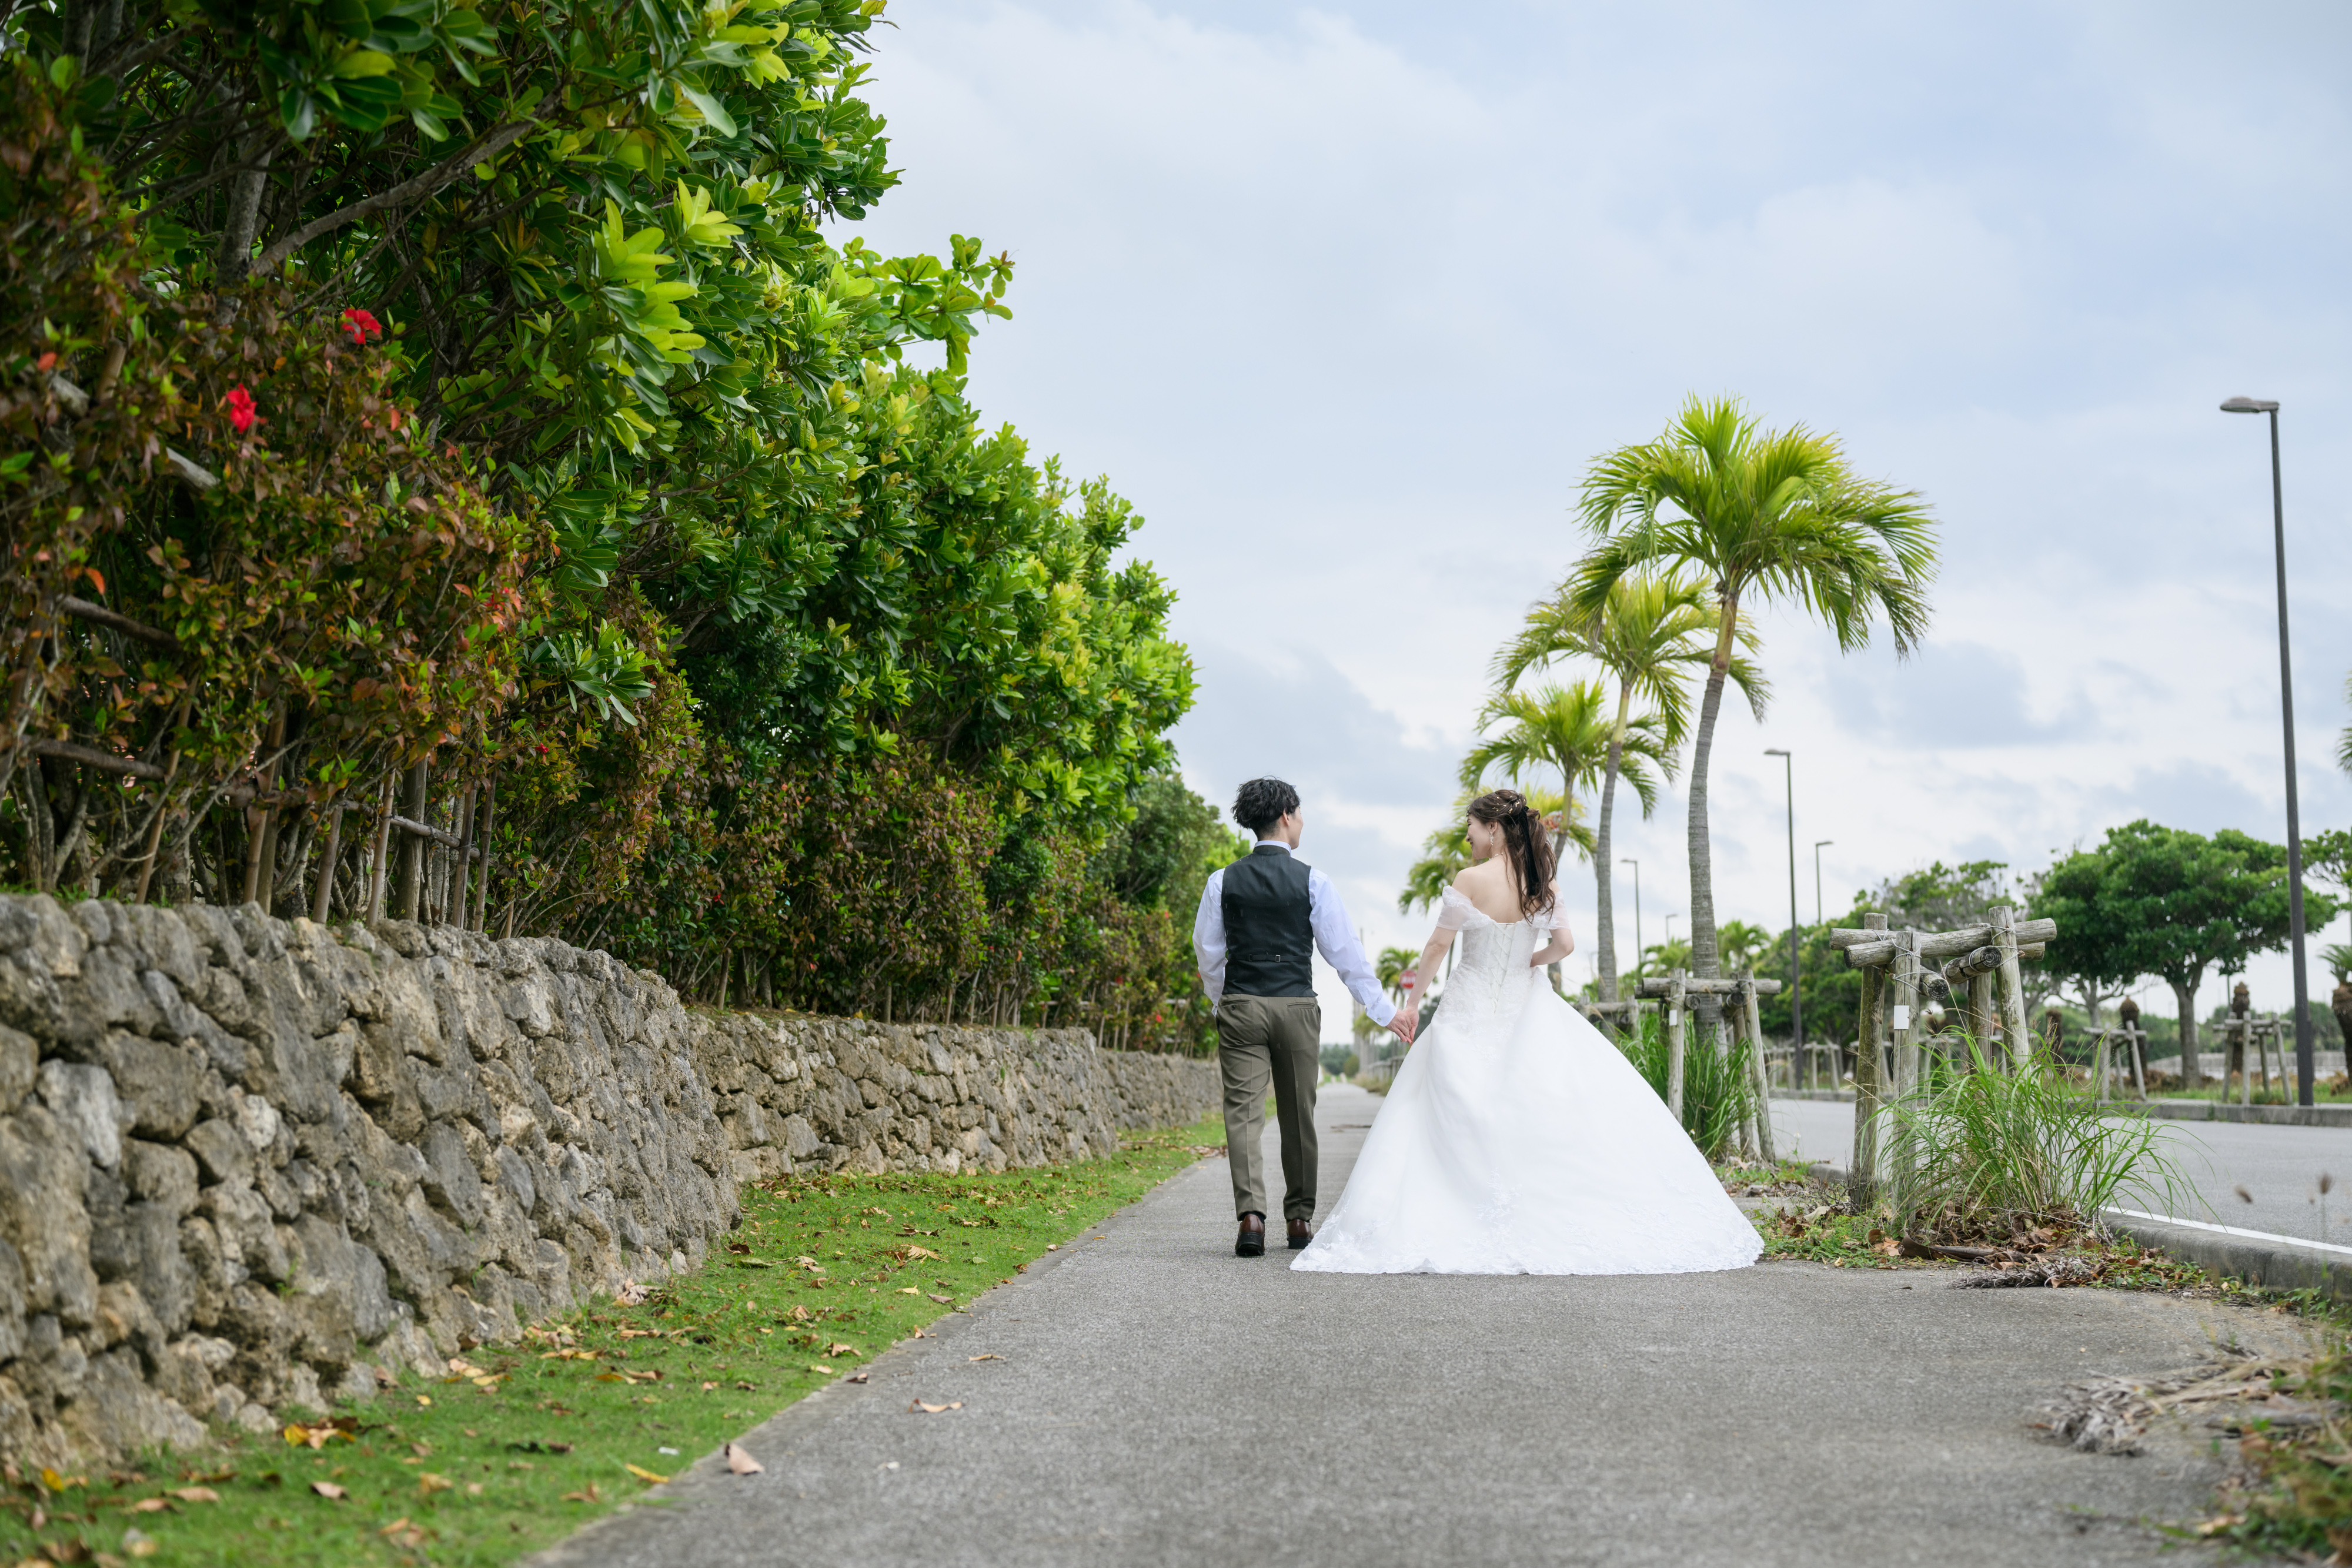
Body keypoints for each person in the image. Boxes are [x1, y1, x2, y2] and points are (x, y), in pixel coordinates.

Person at [1293, 788, 1759, 1276]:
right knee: (1533, 1099)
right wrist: (1527, 961)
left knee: (1449, 1102)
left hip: (1468, 1004)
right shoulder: (1544, 882)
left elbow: (1436, 945)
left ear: (1493, 827)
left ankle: (1460, 1205)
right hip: (1524, 1001)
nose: (1467, 836)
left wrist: (1411, 1005)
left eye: (1471, 827)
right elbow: (1566, 944)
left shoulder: (1470, 880)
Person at [1194, 777, 1409, 1258]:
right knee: (1298, 1115)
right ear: (1287, 815)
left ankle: (1251, 1218)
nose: (1303, 821)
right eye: (1301, 813)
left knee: (1244, 1117)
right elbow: (1345, 954)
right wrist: (1385, 1011)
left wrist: (1222, 1000)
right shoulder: (1314, 880)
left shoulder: (1221, 880)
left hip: (1242, 1004)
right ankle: (1299, 1219)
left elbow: (1208, 953)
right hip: (1295, 1005)